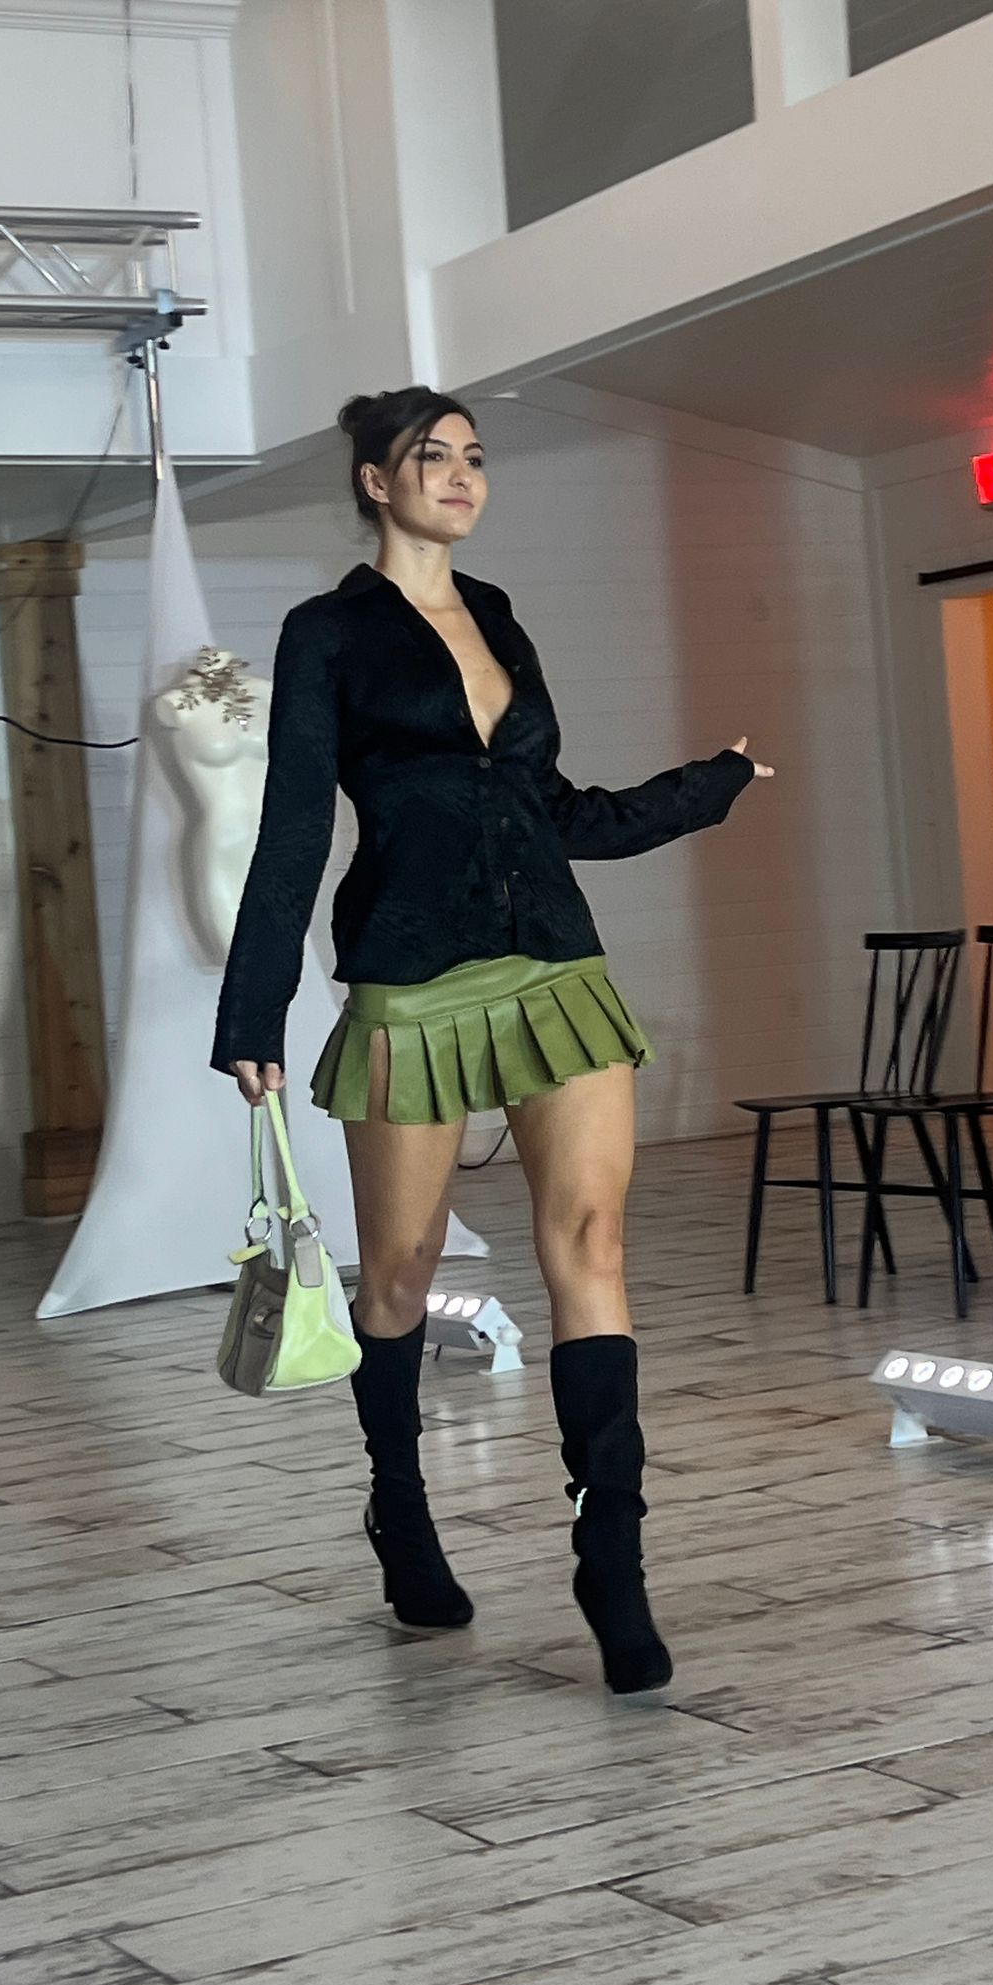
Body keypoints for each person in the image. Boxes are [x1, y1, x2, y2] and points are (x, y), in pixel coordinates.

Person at [212, 387, 773, 1694]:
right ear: (373, 478)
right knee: (398, 1274)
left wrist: (707, 790)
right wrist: (253, 1012)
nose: (461, 478)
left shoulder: (502, 616)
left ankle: (612, 1572)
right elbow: (296, 827)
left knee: (590, 1246)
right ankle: (399, 1510)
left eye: (475, 458)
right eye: (433, 457)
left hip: (557, 973)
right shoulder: (329, 635)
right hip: (411, 984)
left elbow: (552, 808)